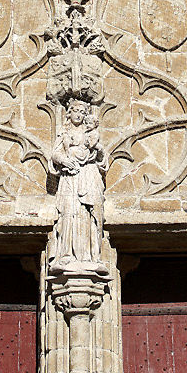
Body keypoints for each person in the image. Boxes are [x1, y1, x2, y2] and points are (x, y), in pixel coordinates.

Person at [50, 98, 106, 268]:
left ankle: (88, 255)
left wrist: (99, 151)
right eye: (75, 111)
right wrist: (65, 161)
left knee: (87, 214)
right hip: (70, 178)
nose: (79, 115)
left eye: (82, 112)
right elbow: (55, 154)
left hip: (88, 176)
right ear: (69, 112)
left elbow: (102, 159)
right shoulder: (64, 132)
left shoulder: (91, 133)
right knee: (69, 212)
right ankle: (66, 252)